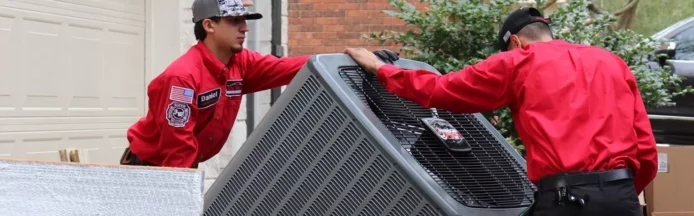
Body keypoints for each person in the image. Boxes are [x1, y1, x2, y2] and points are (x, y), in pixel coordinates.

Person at [345, 7, 657, 216]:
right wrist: (620, 194)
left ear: (517, 42)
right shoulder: (609, 62)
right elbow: (644, 145)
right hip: (621, 196)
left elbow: (441, 90)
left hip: (566, 199)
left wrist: (381, 68)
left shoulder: (519, 61)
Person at [120, 0, 311, 169]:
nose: (245, 28)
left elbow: (289, 67)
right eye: (234, 21)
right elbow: (177, 146)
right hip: (151, 169)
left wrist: (338, 59)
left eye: (244, 20)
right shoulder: (183, 77)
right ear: (209, 25)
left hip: (180, 166)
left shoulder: (241, 62)